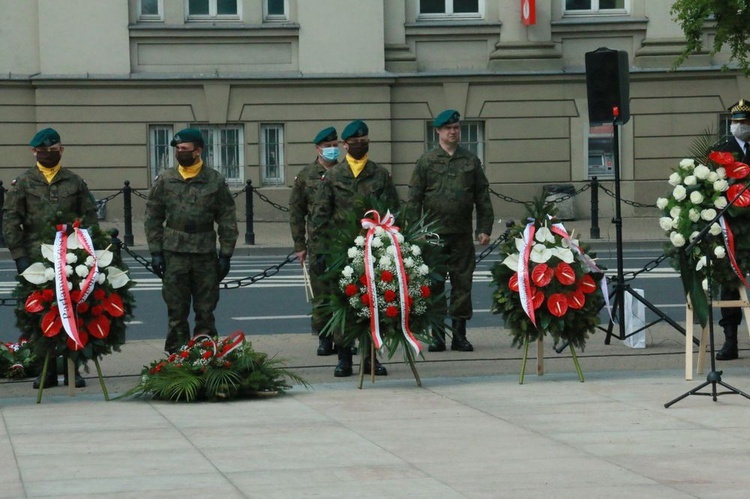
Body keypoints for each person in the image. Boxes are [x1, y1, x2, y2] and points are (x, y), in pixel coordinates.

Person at [2, 127, 99, 388]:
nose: (47, 155)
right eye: (42, 151)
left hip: (71, 256)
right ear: (34, 152)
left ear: (61, 151)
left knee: (73, 310)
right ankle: (45, 369)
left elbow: (89, 217)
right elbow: (11, 220)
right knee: (39, 313)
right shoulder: (23, 183)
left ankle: (71, 368)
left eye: (52, 151)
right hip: (36, 258)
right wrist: (19, 255)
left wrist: (87, 249)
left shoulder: (74, 182)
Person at [310, 119, 400, 377]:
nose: (360, 146)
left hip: (373, 249)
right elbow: (320, 216)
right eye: (355, 143)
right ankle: (344, 357)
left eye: (364, 142)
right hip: (341, 250)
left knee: (374, 302)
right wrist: (318, 252)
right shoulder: (333, 176)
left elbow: (394, 211)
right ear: (345, 145)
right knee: (344, 303)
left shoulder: (379, 174)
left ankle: (372, 357)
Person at [406, 110, 494, 352]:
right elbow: (414, 199)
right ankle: (437, 336)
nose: (453, 132)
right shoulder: (426, 161)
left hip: (462, 234)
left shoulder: (470, 161)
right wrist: (415, 231)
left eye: (456, 127)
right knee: (434, 285)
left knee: (462, 285)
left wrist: (484, 228)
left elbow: (482, 197)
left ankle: (459, 335)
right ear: (438, 132)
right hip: (433, 236)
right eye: (448, 128)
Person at [144, 128, 239, 354]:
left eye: (184, 149)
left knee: (205, 309)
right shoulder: (166, 180)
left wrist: (225, 255)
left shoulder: (214, 180)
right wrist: (156, 252)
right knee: (176, 310)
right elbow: (153, 217)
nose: (180, 153)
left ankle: (206, 353)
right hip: (174, 253)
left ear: (198, 151)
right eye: (177, 149)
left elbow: (227, 218)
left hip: (204, 253)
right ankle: (177, 355)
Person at [289, 126, 340, 356]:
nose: (332, 149)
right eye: (327, 146)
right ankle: (324, 338)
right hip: (319, 243)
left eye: (334, 145)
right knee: (320, 294)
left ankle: (344, 338)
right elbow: (296, 212)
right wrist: (299, 245)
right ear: (318, 149)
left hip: (344, 242)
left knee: (344, 292)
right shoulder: (306, 176)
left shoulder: (345, 172)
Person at [713, 99, 750, 360]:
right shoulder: (721, 150)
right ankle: (730, 340)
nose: (739, 126)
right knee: (729, 282)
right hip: (733, 227)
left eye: (744, 122)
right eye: (735, 121)